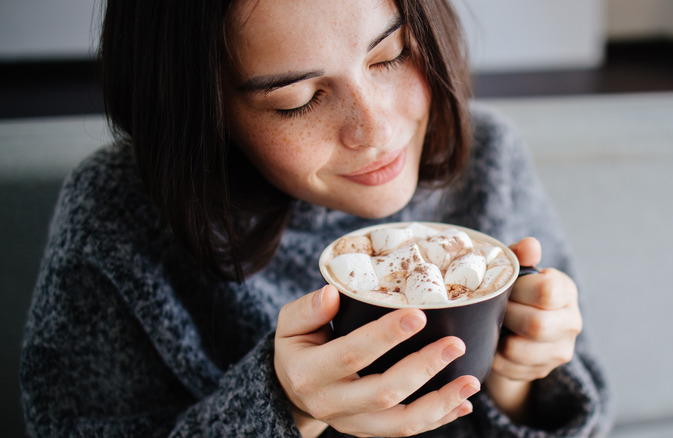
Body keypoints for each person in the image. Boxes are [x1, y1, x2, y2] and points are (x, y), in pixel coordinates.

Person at [20, 0, 611, 436]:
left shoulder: (488, 160)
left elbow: (591, 417)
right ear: (204, 115)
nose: (377, 131)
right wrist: (284, 405)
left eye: (392, 54)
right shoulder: (121, 217)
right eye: (296, 101)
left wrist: (520, 373)